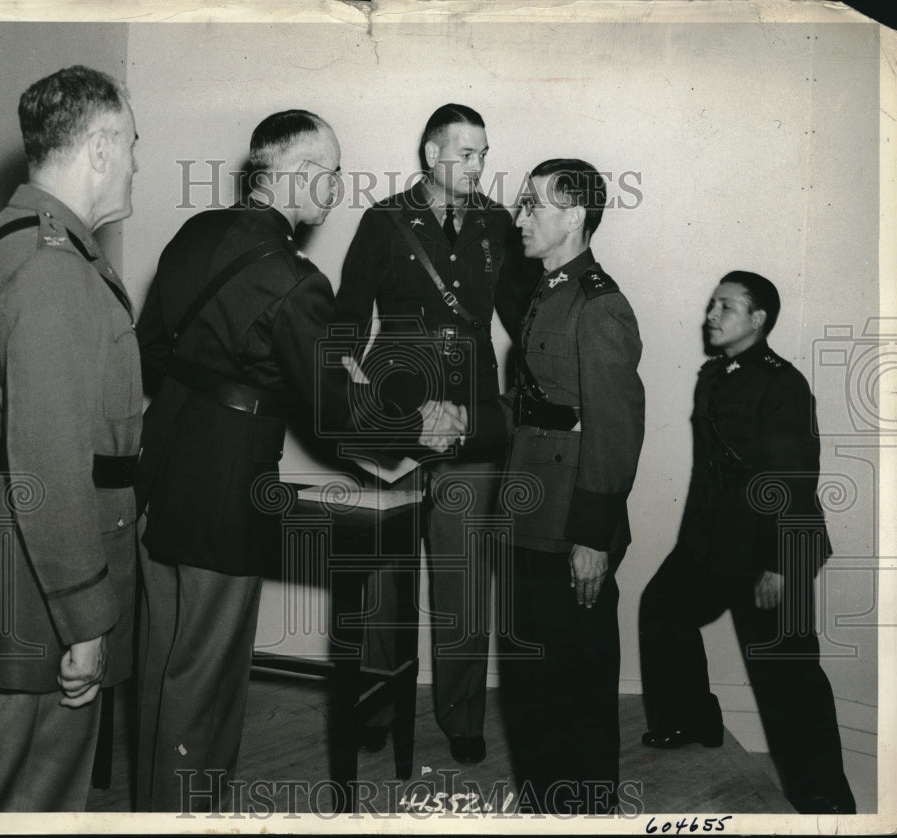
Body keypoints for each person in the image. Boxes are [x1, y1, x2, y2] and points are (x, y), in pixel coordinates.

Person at [134, 109, 464, 813]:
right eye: (333, 173)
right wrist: (420, 428)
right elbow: (337, 410)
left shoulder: (195, 233)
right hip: (227, 488)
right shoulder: (293, 276)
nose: (336, 189)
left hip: (159, 469)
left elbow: (153, 351)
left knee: (160, 668)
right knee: (208, 686)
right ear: (302, 172)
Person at [0, 66, 141, 811]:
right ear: (103, 147)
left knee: (4, 787)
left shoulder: (1, 239)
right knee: (36, 801)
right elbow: (47, 465)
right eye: (133, 144)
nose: (138, 163)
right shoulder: (54, 272)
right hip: (37, 585)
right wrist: (84, 620)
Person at [334, 103, 536, 765]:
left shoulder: (497, 223)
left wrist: (519, 403)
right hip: (399, 421)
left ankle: (462, 716)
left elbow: (529, 317)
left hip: (474, 424)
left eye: (484, 152)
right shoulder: (383, 220)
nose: (479, 165)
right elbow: (344, 325)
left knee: (462, 579)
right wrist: (360, 411)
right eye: (466, 152)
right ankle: (378, 705)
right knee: (387, 577)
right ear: (431, 154)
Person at [638, 271, 856, 814]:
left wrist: (782, 565)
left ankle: (824, 799)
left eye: (726, 307)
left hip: (772, 549)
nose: (711, 314)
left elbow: (796, 478)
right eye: (712, 304)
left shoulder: (782, 383)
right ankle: (690, 719)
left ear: (757, 320)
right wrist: (690, 547)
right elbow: (709, 475)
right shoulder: (712, 377)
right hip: (714, 543)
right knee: (663, 608)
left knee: (789, 679)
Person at [498, 159, 645, 814]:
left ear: (575, 217)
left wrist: (592, 537)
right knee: (531, 681)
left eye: (534, 205)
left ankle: (584, 814)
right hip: (530, 512)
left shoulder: (599, 305)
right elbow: (537, 404)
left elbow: (615, 434)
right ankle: (541, 807)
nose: (520, 215)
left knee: (576, 687)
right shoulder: (547, 290)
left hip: (568, 528)